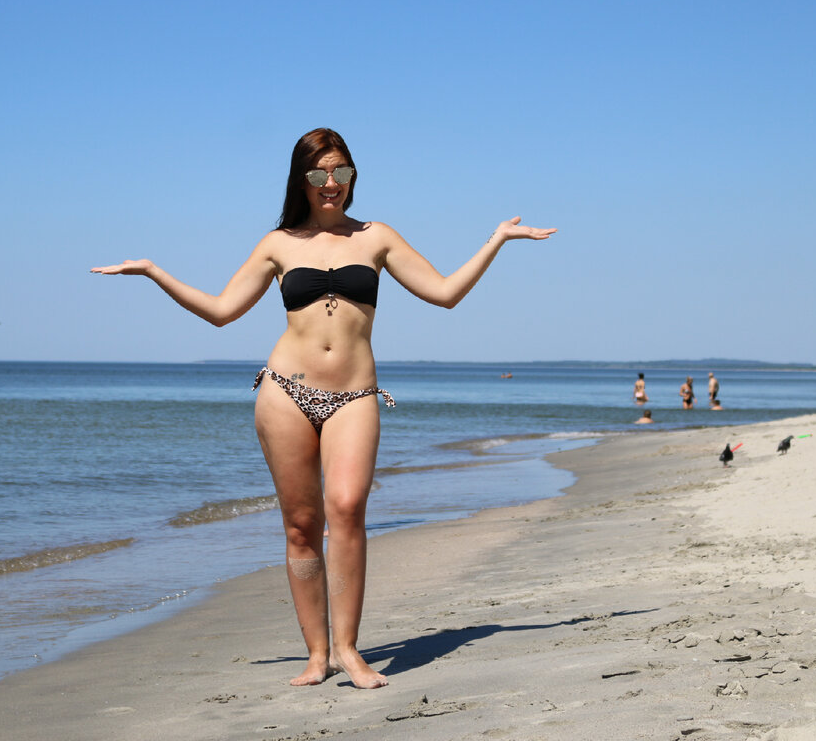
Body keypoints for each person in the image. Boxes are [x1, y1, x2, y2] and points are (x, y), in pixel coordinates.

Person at [91, 128, 556, 689]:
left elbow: (445, 293)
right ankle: (317, 655)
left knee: (348, 507)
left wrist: (496, 239)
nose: (330, 183)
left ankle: (348, 650)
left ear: (353, 176)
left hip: (354, 395)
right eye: (318, 174)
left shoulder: (377, 237)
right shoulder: (278, 243)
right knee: (301, 526)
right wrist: (153, 272)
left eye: (340, 172)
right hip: (285, 391)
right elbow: (221, 311)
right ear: (302, 180)